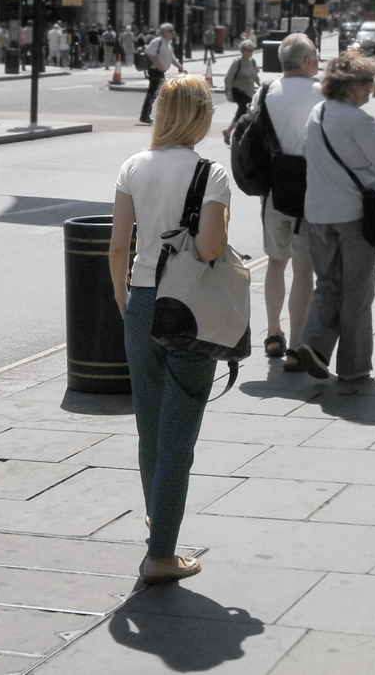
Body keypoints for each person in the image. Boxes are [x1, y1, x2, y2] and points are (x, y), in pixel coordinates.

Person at [109, 74, 230, 584]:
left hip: (139, 304)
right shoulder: (212, 174)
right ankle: (161, 555)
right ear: (201, 116)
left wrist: (124, 299)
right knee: (178, 436)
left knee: (149, 427)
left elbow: (118, 246)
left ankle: (159, 517)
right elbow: (210, 249)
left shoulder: (133, 167)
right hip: (190, 312)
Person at [296, 52, 375, 381]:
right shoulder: (360, 121)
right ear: (346, 84)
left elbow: (307, 154)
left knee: (327, 284)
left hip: (316, 214)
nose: (372, 87)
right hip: (353, 216)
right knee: (358, 290)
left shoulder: (318, 112)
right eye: (366, 81)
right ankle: (354, 368)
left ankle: (313, 343)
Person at [260, 34, 322, 371]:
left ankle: (272, 333)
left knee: (275, 262)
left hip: (273, 192)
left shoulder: (265, 91)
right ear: (308, 61)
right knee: (304, 267)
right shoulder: (320, 92)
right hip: (309, 193)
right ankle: (296, 346)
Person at [139, 23, 187, 125]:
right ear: (164, 32)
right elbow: (149, 53)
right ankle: (147, 116)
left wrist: (181, 67)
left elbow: (172, 59)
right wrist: (159, 64)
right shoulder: (157, 42)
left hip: (160, 72)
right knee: (156, 93)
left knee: (156, 93)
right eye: (170, 31)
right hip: (155, 71)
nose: (172, 33)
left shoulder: (167, 44)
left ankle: (148, 116)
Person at [222, 39, 260, 144]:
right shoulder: (237, 62)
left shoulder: (253, 62)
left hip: (249, 91)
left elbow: (256, 77)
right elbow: (229, 78)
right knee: (243, 110)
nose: (251, 52)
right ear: (242, 51)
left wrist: (262, 87)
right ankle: (238, 134)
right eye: (249, 50)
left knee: (244, 112)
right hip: (238, 90)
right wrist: (229, 92)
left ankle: (229, 132)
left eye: (252, 50)